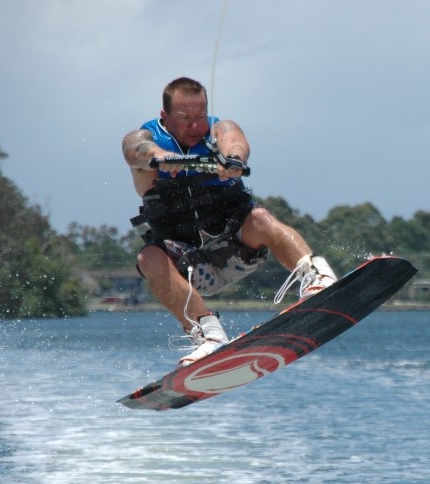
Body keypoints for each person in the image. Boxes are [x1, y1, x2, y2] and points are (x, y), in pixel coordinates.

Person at [122, 77, 336, 366]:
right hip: (189, 266)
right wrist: (161, 158)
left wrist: (234, 160)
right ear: (165, 116)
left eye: (200, 116)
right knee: (148, 258)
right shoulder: (143, 138)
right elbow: (134, 150)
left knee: (259, 217)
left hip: (237, 249)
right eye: (184, 118)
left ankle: (317, 277)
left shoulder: (218, 130)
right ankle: (209, 336)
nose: (195, 126)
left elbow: (235, 140)